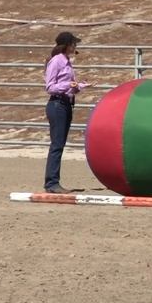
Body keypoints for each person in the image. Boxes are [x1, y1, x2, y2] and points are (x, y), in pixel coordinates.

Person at [43, 31, 92, 194]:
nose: (75, 46)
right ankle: (51, 183)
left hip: (65, 104)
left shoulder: (66, 62)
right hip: (57, 105)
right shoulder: (56, 61)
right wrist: (69, 86)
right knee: (57, 145)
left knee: (59, 144)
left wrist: (81, 86)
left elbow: (69, 85)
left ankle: (52, 181)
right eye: (73, 43)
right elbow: (50, 87)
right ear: (67, 45)